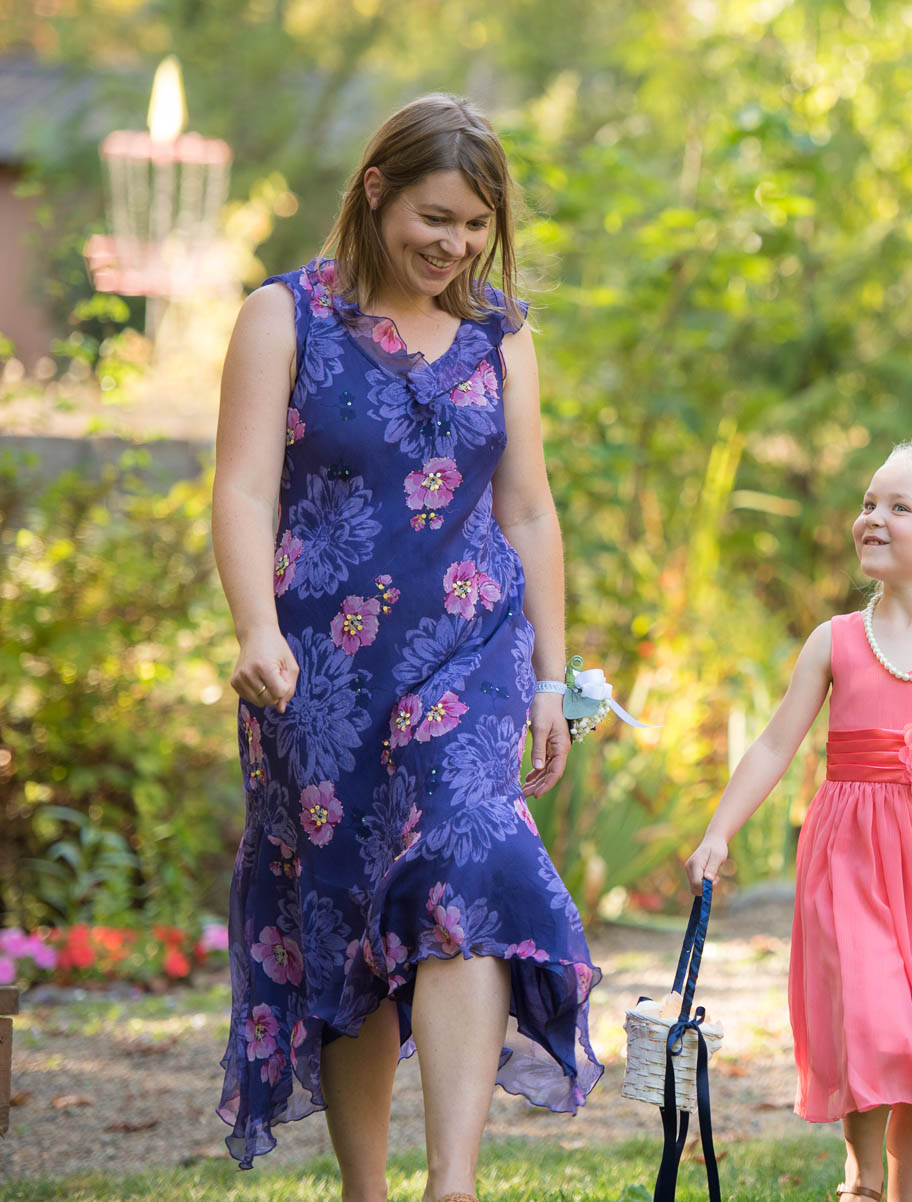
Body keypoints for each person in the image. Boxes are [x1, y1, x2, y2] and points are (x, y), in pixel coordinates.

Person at [212, 94, 601, 1202]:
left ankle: (455, 1183)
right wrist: (252, 624)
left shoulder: (502, 335)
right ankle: (367, 1188)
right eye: (436, 217)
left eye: (476, 226)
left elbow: (529, 510)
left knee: (468, 858)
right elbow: (242, 486)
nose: (454, 246)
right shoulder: (282, 317)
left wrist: (549, 678)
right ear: (375, 190)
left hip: (470, 653)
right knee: (345, 920)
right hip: (322, 677)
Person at [684, 440, 912, 1202]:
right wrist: (720, 829)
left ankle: (906, 1192)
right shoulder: (837, 639)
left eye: (897, 506)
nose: (872, 518)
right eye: (868, 503)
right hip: (849, 855)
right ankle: (863, 1177)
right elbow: (775, 742)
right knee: (868, 1017)